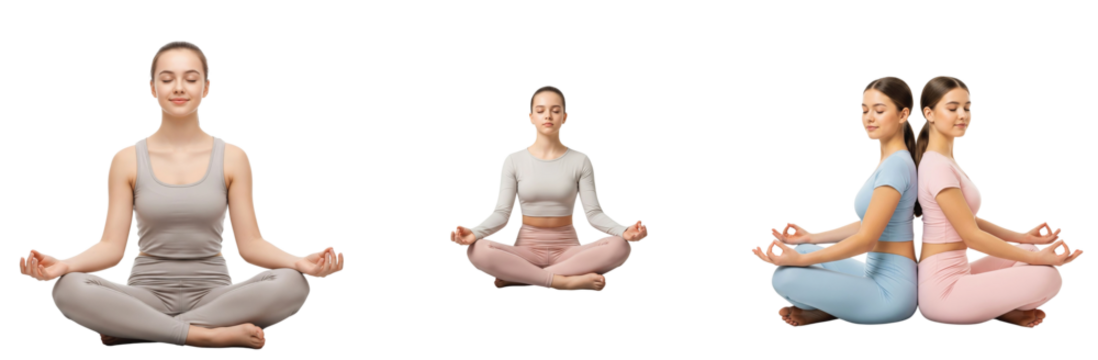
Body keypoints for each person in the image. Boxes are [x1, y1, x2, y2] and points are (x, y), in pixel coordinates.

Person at [16, 39, 345, 351]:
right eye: (167, 78)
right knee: (68, 288)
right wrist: (63, 265)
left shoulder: (233, 156)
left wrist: (298, 261)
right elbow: (111, 248)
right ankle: (201, 336)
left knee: (294, 283)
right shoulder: (126, 158)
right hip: (144, 294)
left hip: (217, 297)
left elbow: (251, 246)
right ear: (152, 88)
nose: (178, 88)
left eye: (190, 78)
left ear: (206, 87)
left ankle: (140, 330)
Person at [750, 74, 920, 328]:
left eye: (879, 110)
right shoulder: (889, 161)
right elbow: (866, 223)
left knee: (784, 278)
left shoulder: (897, 165)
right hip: (873, 274)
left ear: (903, 114)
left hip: (891, 294)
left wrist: (800, 262)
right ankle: (832, 307)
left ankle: (828, 310)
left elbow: (866, 240)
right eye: (864, 110)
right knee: (802, 251)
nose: (869, 118)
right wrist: (809, 237)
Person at [914, 74, 1082, 329]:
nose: (962, 115)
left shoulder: (948, 161)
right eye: (952, 108)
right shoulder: (936, 166)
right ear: (929, 113)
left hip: (959, 274)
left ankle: (997, 308)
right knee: (1048, 278)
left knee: (1028, 253)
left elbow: (968, 219)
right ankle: (1001, 310)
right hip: (943, 291)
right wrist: (1040, 261)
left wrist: (1024, 237)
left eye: (967, 107)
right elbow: (971, 237)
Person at [449, 84, 648, 293]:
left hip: (569, 252)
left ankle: (522, 277)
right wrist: (473, 232)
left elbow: (594, 214)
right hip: (525, 251)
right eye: (541, 110)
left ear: (565, 117)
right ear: (530, 117)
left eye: (555, 111)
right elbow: (501, 214)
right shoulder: (513, 159)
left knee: (621, 246)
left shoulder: (581, 159)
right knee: (477, 249)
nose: (548, 116)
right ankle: (563, 282)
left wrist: (624, 230)